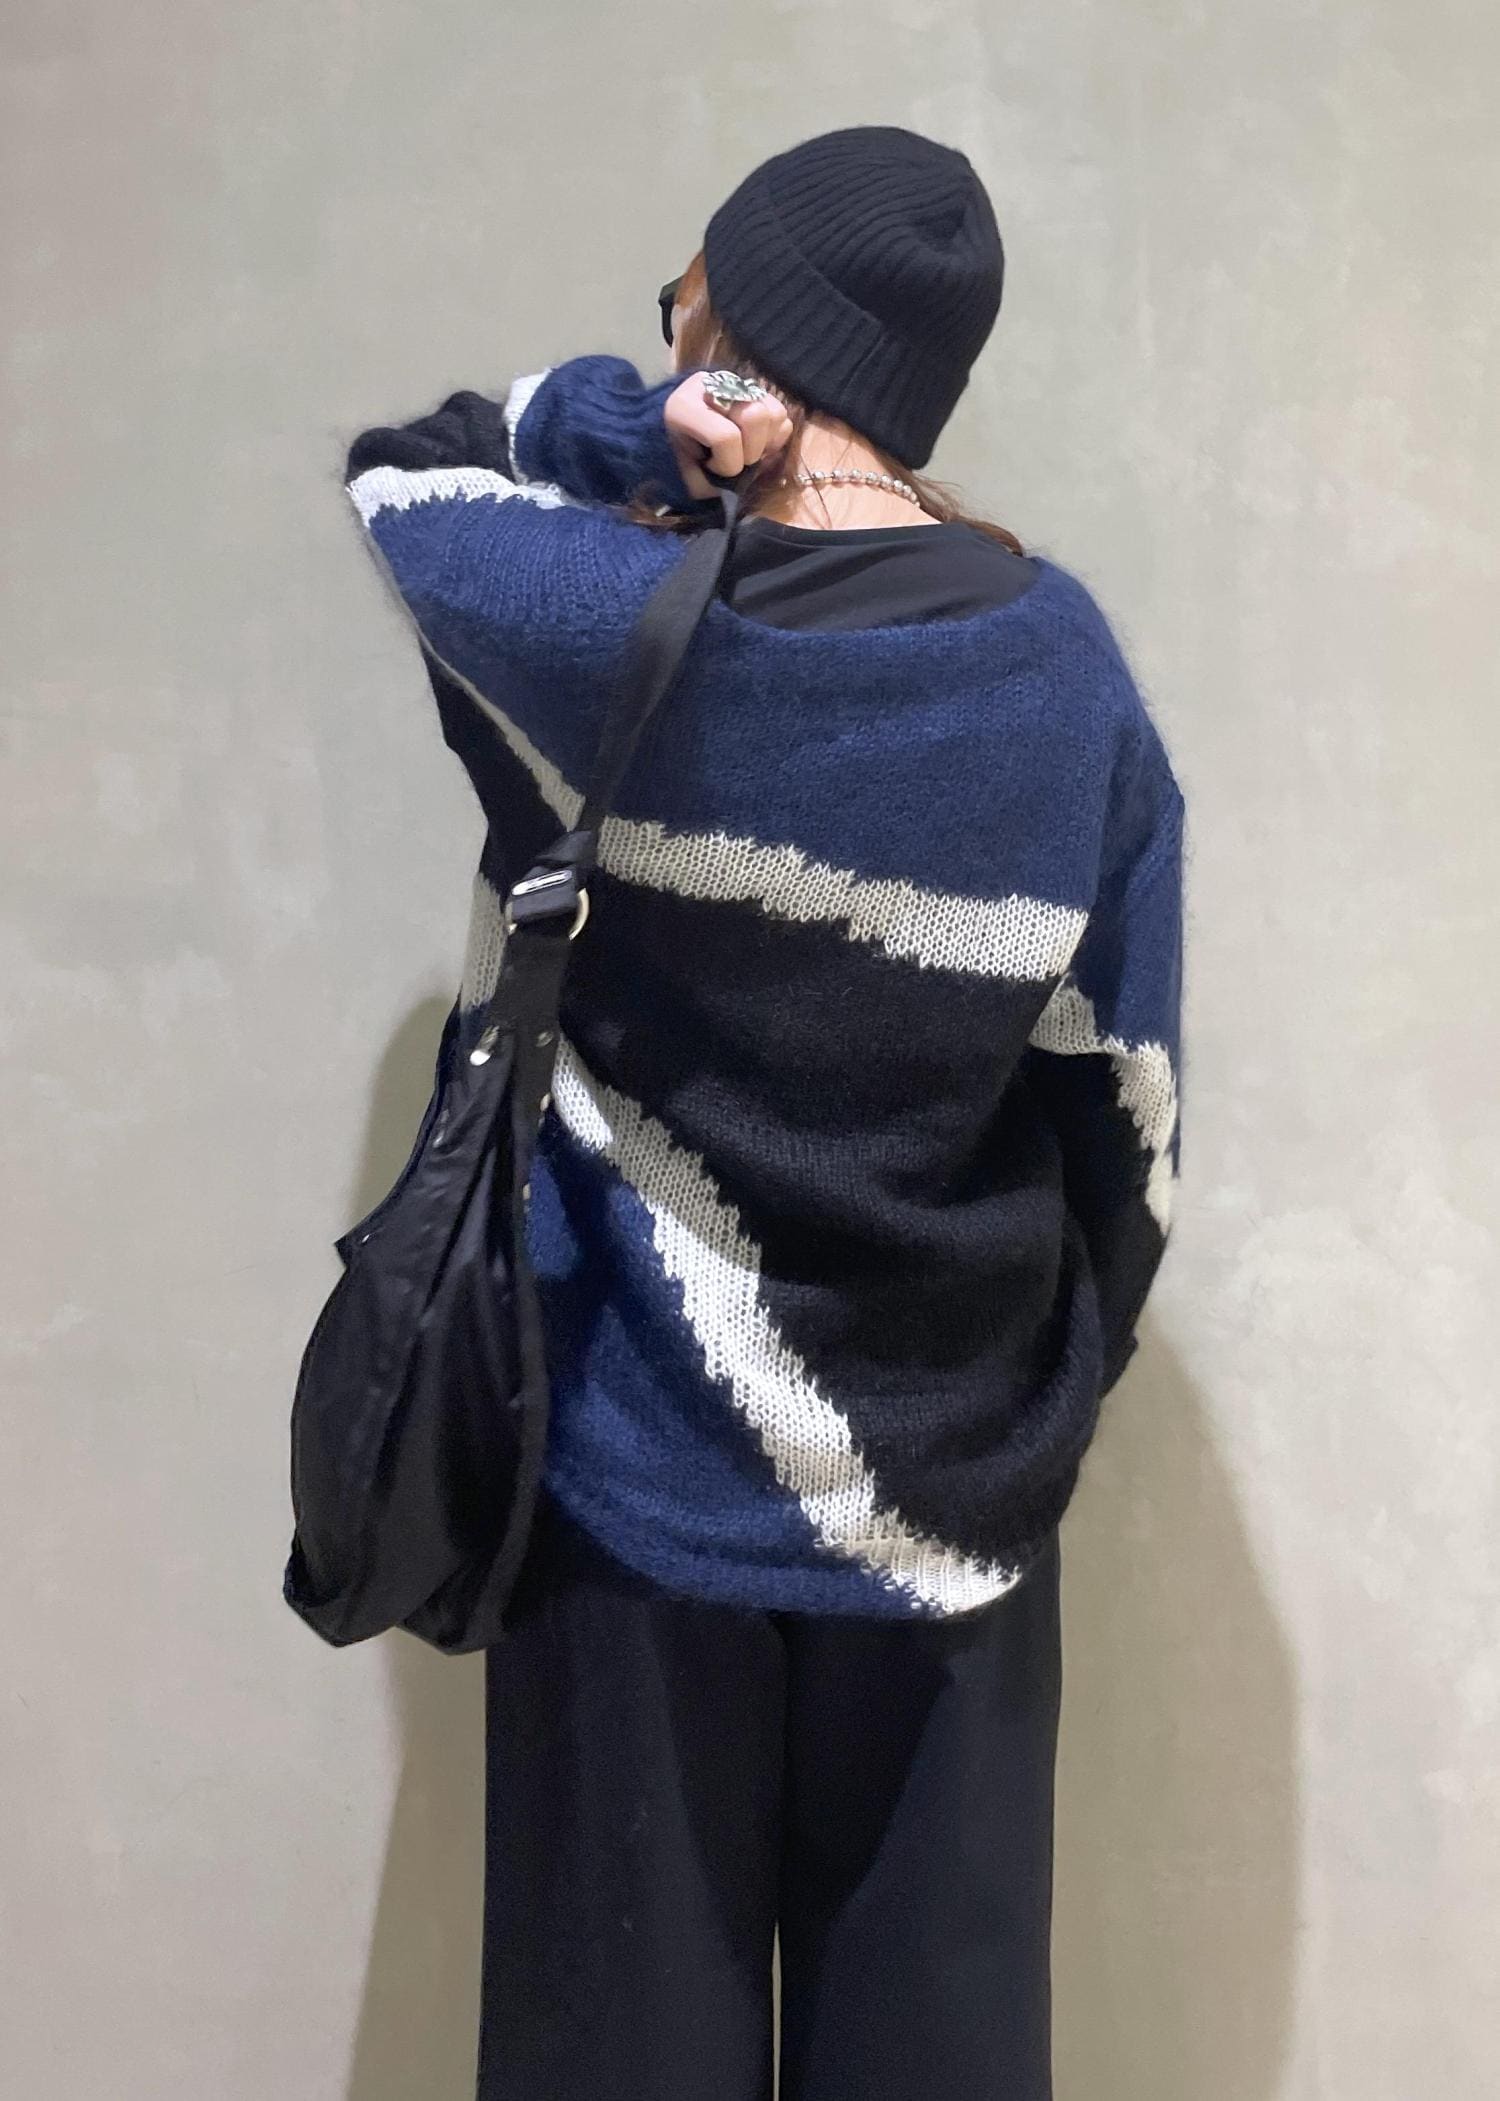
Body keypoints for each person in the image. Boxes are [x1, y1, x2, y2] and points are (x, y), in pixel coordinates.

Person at [344, 123, 1185, 2101]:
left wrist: (637, 419)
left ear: (745, 338)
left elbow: (404, 472)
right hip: (951, 1514)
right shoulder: (1068, 675)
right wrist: (1022, 1392)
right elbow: (1129, 1116)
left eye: (692, 300)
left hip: (631, 1491)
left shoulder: (605, 628)